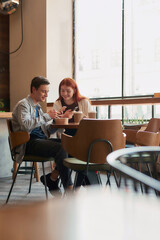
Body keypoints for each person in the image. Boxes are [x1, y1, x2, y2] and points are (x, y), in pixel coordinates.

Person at [12, 76, 73, 194]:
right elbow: (25, 125)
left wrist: (57, 121)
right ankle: (68, 188)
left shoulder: (38, 107)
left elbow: (47, 131)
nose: (46, 95)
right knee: (61, 147)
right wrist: (47, 116)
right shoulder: (23, 105)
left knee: (69, 145)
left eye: (47, 92)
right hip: (27, 143)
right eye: (43, 91)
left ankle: (52, 179)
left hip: (39, 141)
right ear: (34, 90)